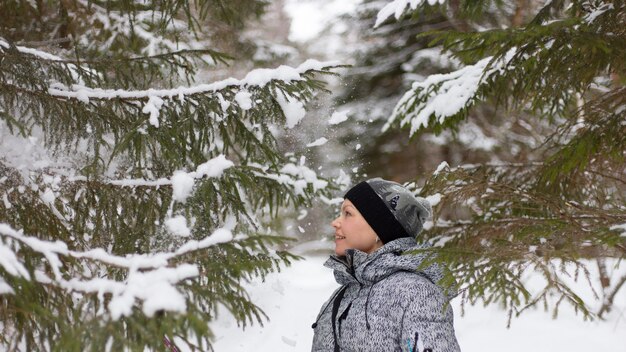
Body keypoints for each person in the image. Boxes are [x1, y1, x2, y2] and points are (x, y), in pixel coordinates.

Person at [311, 178, 461, 352]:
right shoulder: (345, 292)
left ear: (379, 227)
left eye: (348, 213)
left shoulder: (415, 293)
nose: (335, 222)